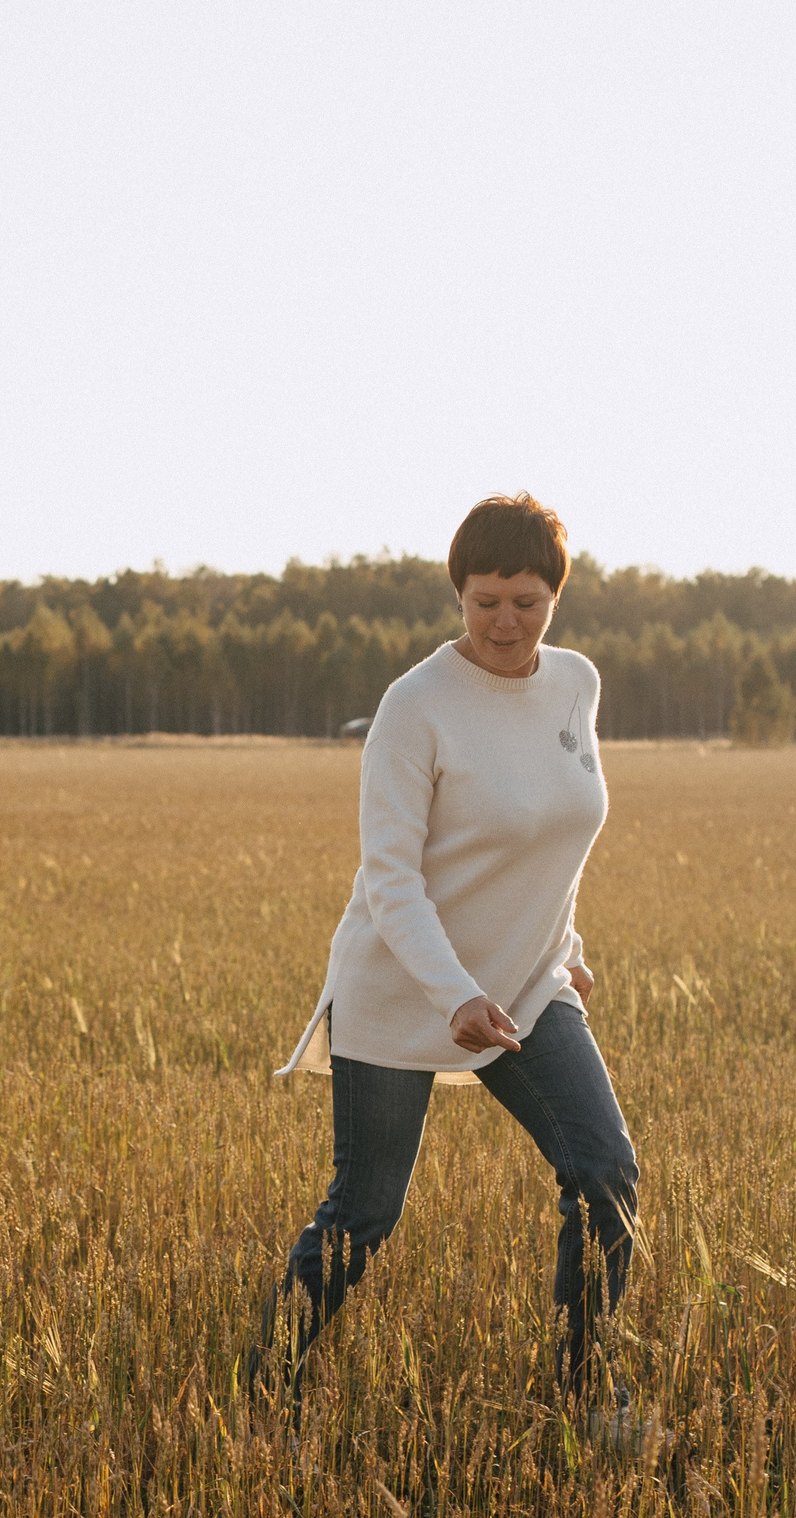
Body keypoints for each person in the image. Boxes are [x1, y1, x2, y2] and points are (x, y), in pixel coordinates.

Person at [258, 491, 639, 1408]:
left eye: (526, 600)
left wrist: (567, 944)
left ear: (557, 595)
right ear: (458, 595)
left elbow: (555, 829)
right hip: (405, 989)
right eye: (485, 600)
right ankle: (265, 1388)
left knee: (605, 1176)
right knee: (365, 1213)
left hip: (532, 983)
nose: (506, 620)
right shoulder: (416, 705)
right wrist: (454, 994)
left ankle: (583, 1393)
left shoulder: (577, 683)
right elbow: (391, 879)